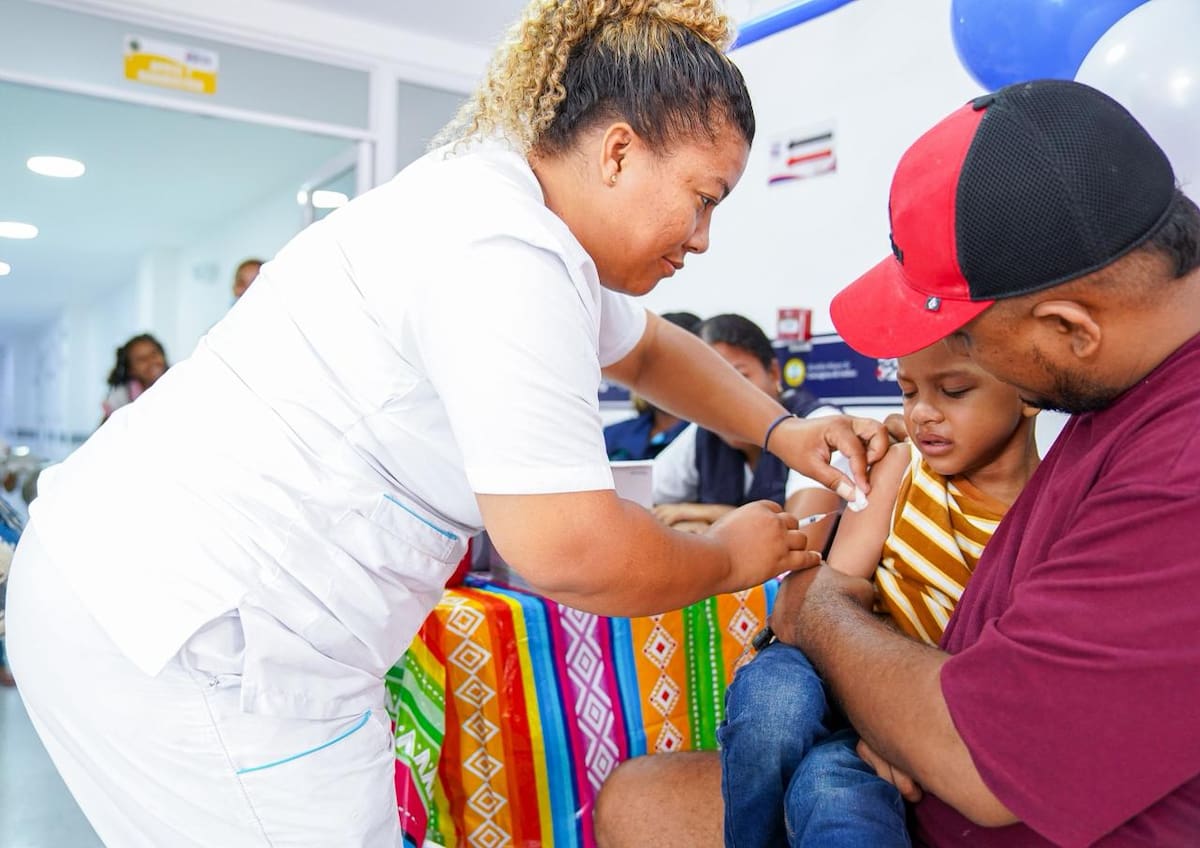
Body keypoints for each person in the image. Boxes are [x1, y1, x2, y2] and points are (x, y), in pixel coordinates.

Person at [5, 2, 888, 846]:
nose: (702, 238)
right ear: (618, 151)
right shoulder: (505, 252)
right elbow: (569, 547)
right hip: (192, 631)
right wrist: (727, 559)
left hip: (143, 587)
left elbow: (651, 350)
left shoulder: (515, 214)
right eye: (703, 198)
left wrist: (782, 432)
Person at [594, 79, 1200, 847]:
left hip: (955, 790)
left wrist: (816, 613)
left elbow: (975, 755)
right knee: (635, 797)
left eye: (966, 354)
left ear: (1070, 328)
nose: (926, 406)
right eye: (909, 388)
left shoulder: (1180, 463)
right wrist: (892, 713)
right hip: (913, 753)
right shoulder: (1120, 382)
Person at [720, 338, 1039, 848]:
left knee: (834, 796)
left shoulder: (1048, 514)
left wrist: (900, 730)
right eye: (908, 393)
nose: (922, 413)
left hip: (921, 703)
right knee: (773, 712)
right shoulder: (903, 468)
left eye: (954, 391)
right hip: (826, 660)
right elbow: (825, 599)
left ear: (1029, 389)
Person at [653, 313, 843, 550]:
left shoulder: (819, 424)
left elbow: (800, 543)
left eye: (740, 377)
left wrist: (714, 516)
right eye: (706, 383)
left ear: (773, 372)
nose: (723, 397)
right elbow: (639, 501)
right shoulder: (702, 432)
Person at [604, 310, 701, 460]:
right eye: (652, 359)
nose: (660, 371)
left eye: (674, 360)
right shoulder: (612, 435)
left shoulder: (710, 441)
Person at [100, 333, 168, 423]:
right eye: (142, 359)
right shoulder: (121, 397)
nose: (151, 361)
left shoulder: (179, 381)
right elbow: (105, 429)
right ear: (130, 369)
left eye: (154, 354)